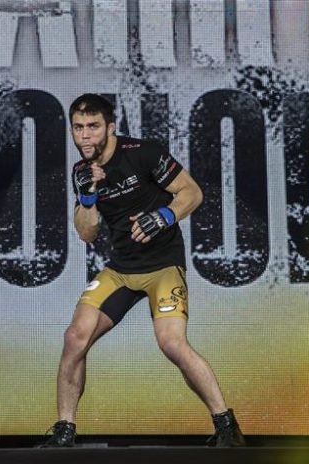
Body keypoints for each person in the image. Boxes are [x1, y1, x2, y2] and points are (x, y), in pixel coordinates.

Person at [41, 94, 245, 448]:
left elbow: (192, 193)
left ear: (110, 127)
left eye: (93, 127)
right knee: (75, 337)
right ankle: (65, 430)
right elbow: (87, 233)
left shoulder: (143, 152)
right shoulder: (82, 172)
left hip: (162, 265)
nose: (85, 135)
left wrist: (164, 216)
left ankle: (227, 426)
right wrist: (87, 196)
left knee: (172, 344)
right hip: (121, 269)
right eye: (78, 128)